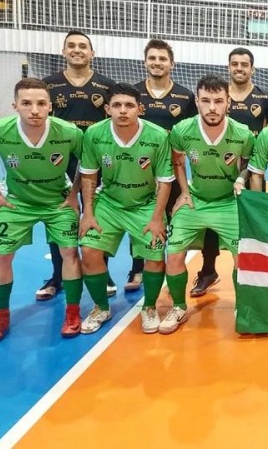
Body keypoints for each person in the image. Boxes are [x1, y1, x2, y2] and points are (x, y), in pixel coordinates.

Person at [0, 78, 84, 341]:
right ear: (15, 106)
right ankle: (1, 315)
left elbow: (87, 162)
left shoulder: (69, 132)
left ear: (50, 107)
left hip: (57, 201)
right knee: (2, 255)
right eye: (26, 103)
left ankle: (72, 312)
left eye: (40, 103)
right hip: (16, 201)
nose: (34, 109)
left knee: (69, 251)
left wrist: (73, 195)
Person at [77, 83, 174, 335]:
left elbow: (164, 182)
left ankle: (149, 307)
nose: (123, 111)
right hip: (109, 202)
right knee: (88, 250)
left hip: (145, 204)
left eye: (129, 105)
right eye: (117, 105)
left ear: (140, 109)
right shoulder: (94, 134)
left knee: (154, 255)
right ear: (107, 109)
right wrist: (87, 213)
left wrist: (156, 218)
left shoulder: (157, 136)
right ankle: (101, 307)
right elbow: (88, 176)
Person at [188, 47, 268, 297]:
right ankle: (208, 271)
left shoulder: (267, 100)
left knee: (249, 225)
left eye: (244, 64)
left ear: (253, 68)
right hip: (218, 168)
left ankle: (256, 276)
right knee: (210, 220)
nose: (239, 68)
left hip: (250, 170)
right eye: (234, 64)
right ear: (229, 67)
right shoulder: (217, 97)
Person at [165, 75, 255, 334]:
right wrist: (183, 192)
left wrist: (241, 178)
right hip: (195, 201)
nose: (212, 107)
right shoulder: (183, 130)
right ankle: (179, 307)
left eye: (218, 101)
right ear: (197, 101)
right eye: (206, 101)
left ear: (228, 102)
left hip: (228, 203)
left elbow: (247, 164)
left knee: (244, 258)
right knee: (173, 255)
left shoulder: (242, 134)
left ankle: (243, 307)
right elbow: (178, 162)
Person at [40, 30, 114, 301]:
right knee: (61, 216)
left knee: (98, 214)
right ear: (63, 51)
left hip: (96, 161)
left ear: (92, 53)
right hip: (59, 161)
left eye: (83, 46)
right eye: (71, 46)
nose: (77, 50)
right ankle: (58, 275)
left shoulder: (106, 86)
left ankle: (101, 271)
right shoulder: (49, 85)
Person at [130, 39, 199, 293]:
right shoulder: (134, 93)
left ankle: (169, 266)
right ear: (145, 61)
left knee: (169, 216)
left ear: (172, 63)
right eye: (152, 58)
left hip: (171, 169)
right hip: (139, 168)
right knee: (138, 215)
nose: (157, 63)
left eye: (162, 59)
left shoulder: (185, 95)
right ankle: (137, 267)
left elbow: (192, 131)